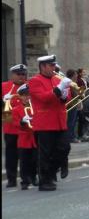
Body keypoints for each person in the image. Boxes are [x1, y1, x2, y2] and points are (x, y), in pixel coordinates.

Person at [28, 55, 72, 191]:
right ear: (43, 66)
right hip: (45, 123)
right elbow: (44, 98)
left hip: (59, 121)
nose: (54, 68)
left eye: (54, 66)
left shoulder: (56, 79)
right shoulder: (35, 81)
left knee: (65, 148)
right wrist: (59, 89)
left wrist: (65, 95)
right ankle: (44, 181)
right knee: (45, 153)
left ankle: (51, 172)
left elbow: (64, 98)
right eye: (51, 66)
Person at [2, 64, 28, 188]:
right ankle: (11, 179)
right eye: (19, 74)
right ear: (12, 75)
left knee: (27, 155)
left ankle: (27, 178)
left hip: (26, 129)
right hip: (10, 128)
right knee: (11, 155)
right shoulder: (4, 86)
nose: (22, 77)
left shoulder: (29, 86)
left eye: (23, 74)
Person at [11, 84, 37, 190]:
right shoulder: (16, 109)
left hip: (34, 138)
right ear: (20, 97)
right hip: (23, 139)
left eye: (29, 95)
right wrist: (22, 121)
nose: (27, 98)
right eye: (24, 95)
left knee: (35, 160)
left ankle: (33, 177)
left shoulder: (34, 107)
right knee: (24, 161)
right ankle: (24, 181)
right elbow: (15, 124)